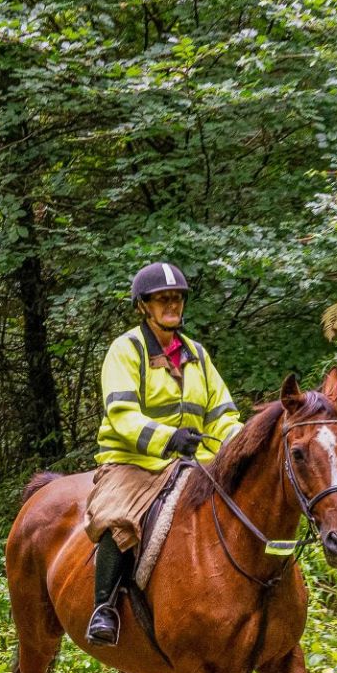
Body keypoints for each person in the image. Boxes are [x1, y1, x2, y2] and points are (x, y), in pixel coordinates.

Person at [83, 262, 241, 645]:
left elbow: (223, 414)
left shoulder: (197, 355)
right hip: (135, 462)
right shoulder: (126, 350)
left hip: (195, 461)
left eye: (176, 298)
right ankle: (103, 609)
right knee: (119, 518)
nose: (171, 305)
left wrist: (240, 446)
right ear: (144, 306)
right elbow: (122, 415)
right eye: (162, 299)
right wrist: (168, 439)